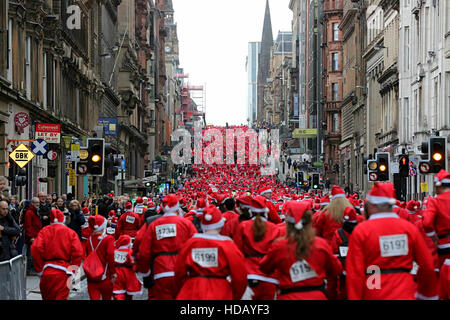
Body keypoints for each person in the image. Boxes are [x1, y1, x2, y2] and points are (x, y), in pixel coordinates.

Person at [345, 182, 438, 300]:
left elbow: (355, 274)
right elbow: (427, 265)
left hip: (374, 288)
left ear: (372, 205)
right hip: (405, 291)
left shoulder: (362, 231)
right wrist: (426, 295)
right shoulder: (408, 229)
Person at [260, 200, 342, 300]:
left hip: (288, 296)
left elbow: (265, 267)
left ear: (287, 223)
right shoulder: (321, 244)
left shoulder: (279, 246)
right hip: (317, 296)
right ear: (310, 222)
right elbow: (336, 269)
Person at [174, 205, 247, 300]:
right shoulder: (228, 245)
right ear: (221, 224)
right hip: (221, 291)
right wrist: (235, 296)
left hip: (192, 290)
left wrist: (184, 289)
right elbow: (239, 276)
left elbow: (179, 271)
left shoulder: (191, 243)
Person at [135, 194, 198, 300]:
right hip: (182, 270)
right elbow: (196, 247)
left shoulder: (154, 225)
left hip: (160, 271)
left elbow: (144, 251)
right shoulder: (186, 224)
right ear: (177, 207)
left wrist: (145, 272)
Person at [233, 196, 280, 300]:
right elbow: (278, 253)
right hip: (270, 277)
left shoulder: (243, 226)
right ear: (265, 212)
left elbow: (237, 252)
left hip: (249, 275)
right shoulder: (274, 228)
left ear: (251, 211)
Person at [30, 209, 83, 300]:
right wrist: (73, 270)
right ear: (63, 219)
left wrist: (39, 269)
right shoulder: (70, 232)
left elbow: (36, 248)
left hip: (47, 271)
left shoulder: (44, 231)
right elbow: (78, 252)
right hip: (64, 272)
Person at [330, 206, 360, 300]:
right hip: (360, 273)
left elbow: (334, 256)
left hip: (344, 274)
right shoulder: (362, 231)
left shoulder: (338, 234)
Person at [85, 215, 117, 300]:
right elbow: (111, 255)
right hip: (105, 276)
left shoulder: (89, 239)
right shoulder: (109, 239)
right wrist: (113, 272)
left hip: (92, 277)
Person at [422, 169, 450, 268]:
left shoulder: (436, 201)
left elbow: (427, 222)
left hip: (445, 245)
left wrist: (433, 236)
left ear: (438, 186)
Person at [112, 235, 143, 300]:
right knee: (129, 291)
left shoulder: (115, 251)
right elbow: (133, 262)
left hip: (117, 272)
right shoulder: (129, 251)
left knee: (118, 290)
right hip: (128, 273)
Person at [24, 197, 42, 274]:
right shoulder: (29, 212)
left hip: (37, 236)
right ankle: (29, 269)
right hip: (32, 237)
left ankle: (33, 268)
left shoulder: (35, 211)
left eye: (38, 202)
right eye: (36, 202)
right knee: (30, 254)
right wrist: (31, 237)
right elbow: (28, 226)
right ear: (32, 203)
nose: (38, 204)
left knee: (35, 254)